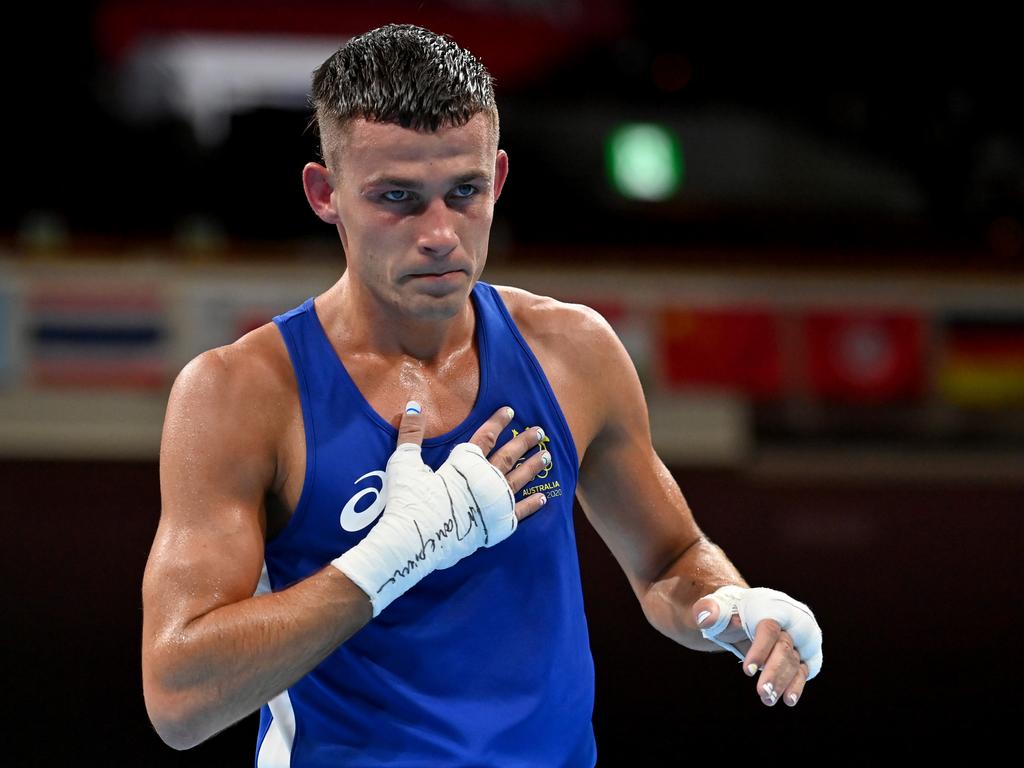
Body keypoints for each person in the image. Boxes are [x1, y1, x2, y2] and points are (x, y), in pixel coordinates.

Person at [141, 24, 822, 767]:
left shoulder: (573, 353)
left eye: (462, 193)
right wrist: (397, 556)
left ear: (497, 179)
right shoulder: (241, 394)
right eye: (398, 198)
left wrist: (733, 606)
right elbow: (180, 699)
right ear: (325, 193)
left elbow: (670, 560)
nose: (439, 234)